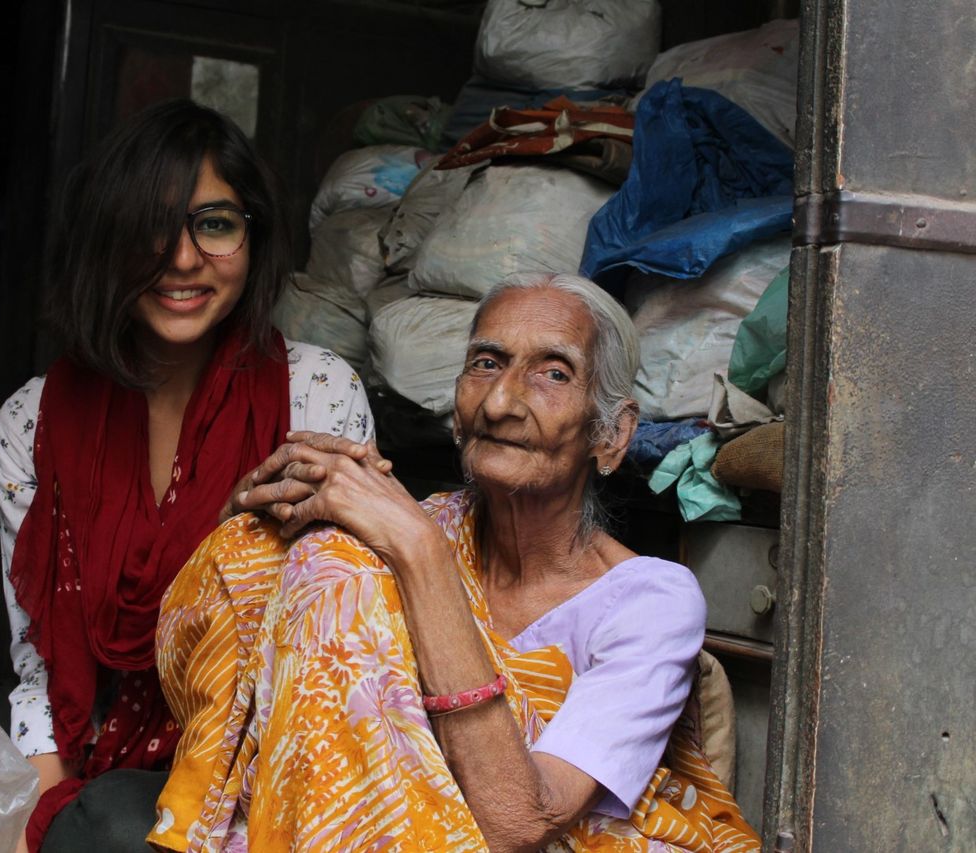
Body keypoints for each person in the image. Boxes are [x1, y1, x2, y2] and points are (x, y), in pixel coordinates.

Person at [151, 273, 761, 851]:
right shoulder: (396, 534)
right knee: (309, 553)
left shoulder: (650, 602)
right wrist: (246, 527)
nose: (499, 402)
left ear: (612, 434)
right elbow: (221, 642)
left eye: (553, 373)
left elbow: (521, 821)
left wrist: (422, 557)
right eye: (486, 363)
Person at [0, 99, 374, 853]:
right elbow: (40, 676)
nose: (184, 258)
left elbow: (339, 659)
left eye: (215, 224)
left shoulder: (317, 395)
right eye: (150, 226)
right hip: (106, 787)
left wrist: (237, 544)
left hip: (281, 776)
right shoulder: (33, 423)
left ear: (254, 236)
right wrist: (45, 828)